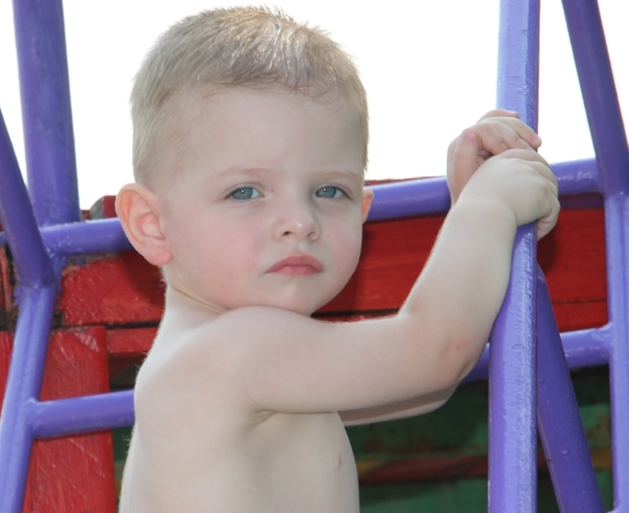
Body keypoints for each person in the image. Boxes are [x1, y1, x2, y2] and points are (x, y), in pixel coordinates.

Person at [115, 6, 559, 512]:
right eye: (245, 192)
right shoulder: (230, 351)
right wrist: (487, 209)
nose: (300, 221)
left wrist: (468, 208)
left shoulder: (245, 360)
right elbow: (435, 352)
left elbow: (420, 387)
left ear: (362, 212)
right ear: (152, 224)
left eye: (329, 191)